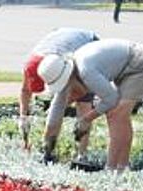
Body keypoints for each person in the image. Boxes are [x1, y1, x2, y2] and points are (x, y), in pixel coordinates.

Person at [37, 39, 143, 171]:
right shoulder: (69, 69)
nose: (71, 93)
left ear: (68, 77)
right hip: (129, 65)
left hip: (140, 63)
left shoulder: (86, 71)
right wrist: (47, 148)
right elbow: (56, 109)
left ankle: (111, 169)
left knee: (115, 113)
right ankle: (122, 167)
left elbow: (111, 99)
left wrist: (86, 119)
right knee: (119, 116)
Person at [19, 28, 99, 157]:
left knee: (83, 104)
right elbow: (25, 90)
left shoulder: (60, 66)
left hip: (87, 43)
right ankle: (49, 149)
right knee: (58, 106)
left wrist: (56, 109)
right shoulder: (30, 66)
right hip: (62, 40)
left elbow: (77, 94)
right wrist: (23, 117)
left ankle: (81, 154)